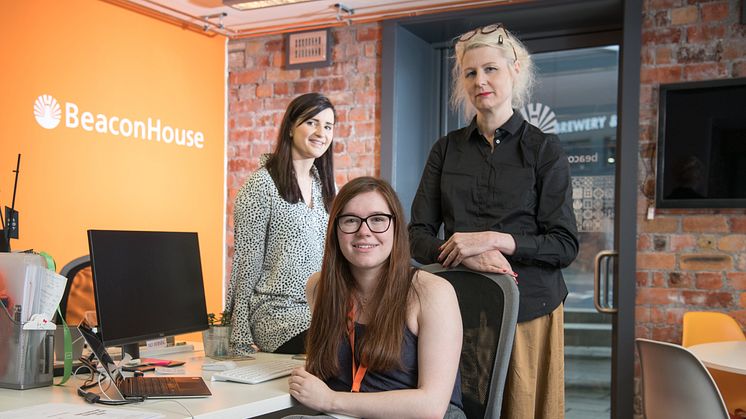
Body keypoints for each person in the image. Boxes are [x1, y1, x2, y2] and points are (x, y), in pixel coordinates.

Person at [408, 23, 579, 419]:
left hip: (529, 312)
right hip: (455, 313)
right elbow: (416, 236)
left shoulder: (544, 149)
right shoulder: (445, 150)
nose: (480, 81)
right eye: (470, 73)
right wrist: (463, 255)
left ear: (514, 71)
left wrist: (493, 239)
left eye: (491, 69)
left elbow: (564, 244)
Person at [287, 177, 466, 419]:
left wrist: (330, 400)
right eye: (350, 220)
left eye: (378, 220)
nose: (364, 231)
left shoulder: (432, 292)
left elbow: (431, 406)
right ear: (335, 230)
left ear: (396, 227)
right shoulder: (320, 288)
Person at [226, 92, 337, 355]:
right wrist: (239, 337)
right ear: (290, 127)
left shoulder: (326, 189)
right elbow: (246, 264)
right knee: (343, 345)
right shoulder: (262, 185)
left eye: (328, 126)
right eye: (311, 122)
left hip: (318, 313)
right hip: (276, 316)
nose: (321, 132)